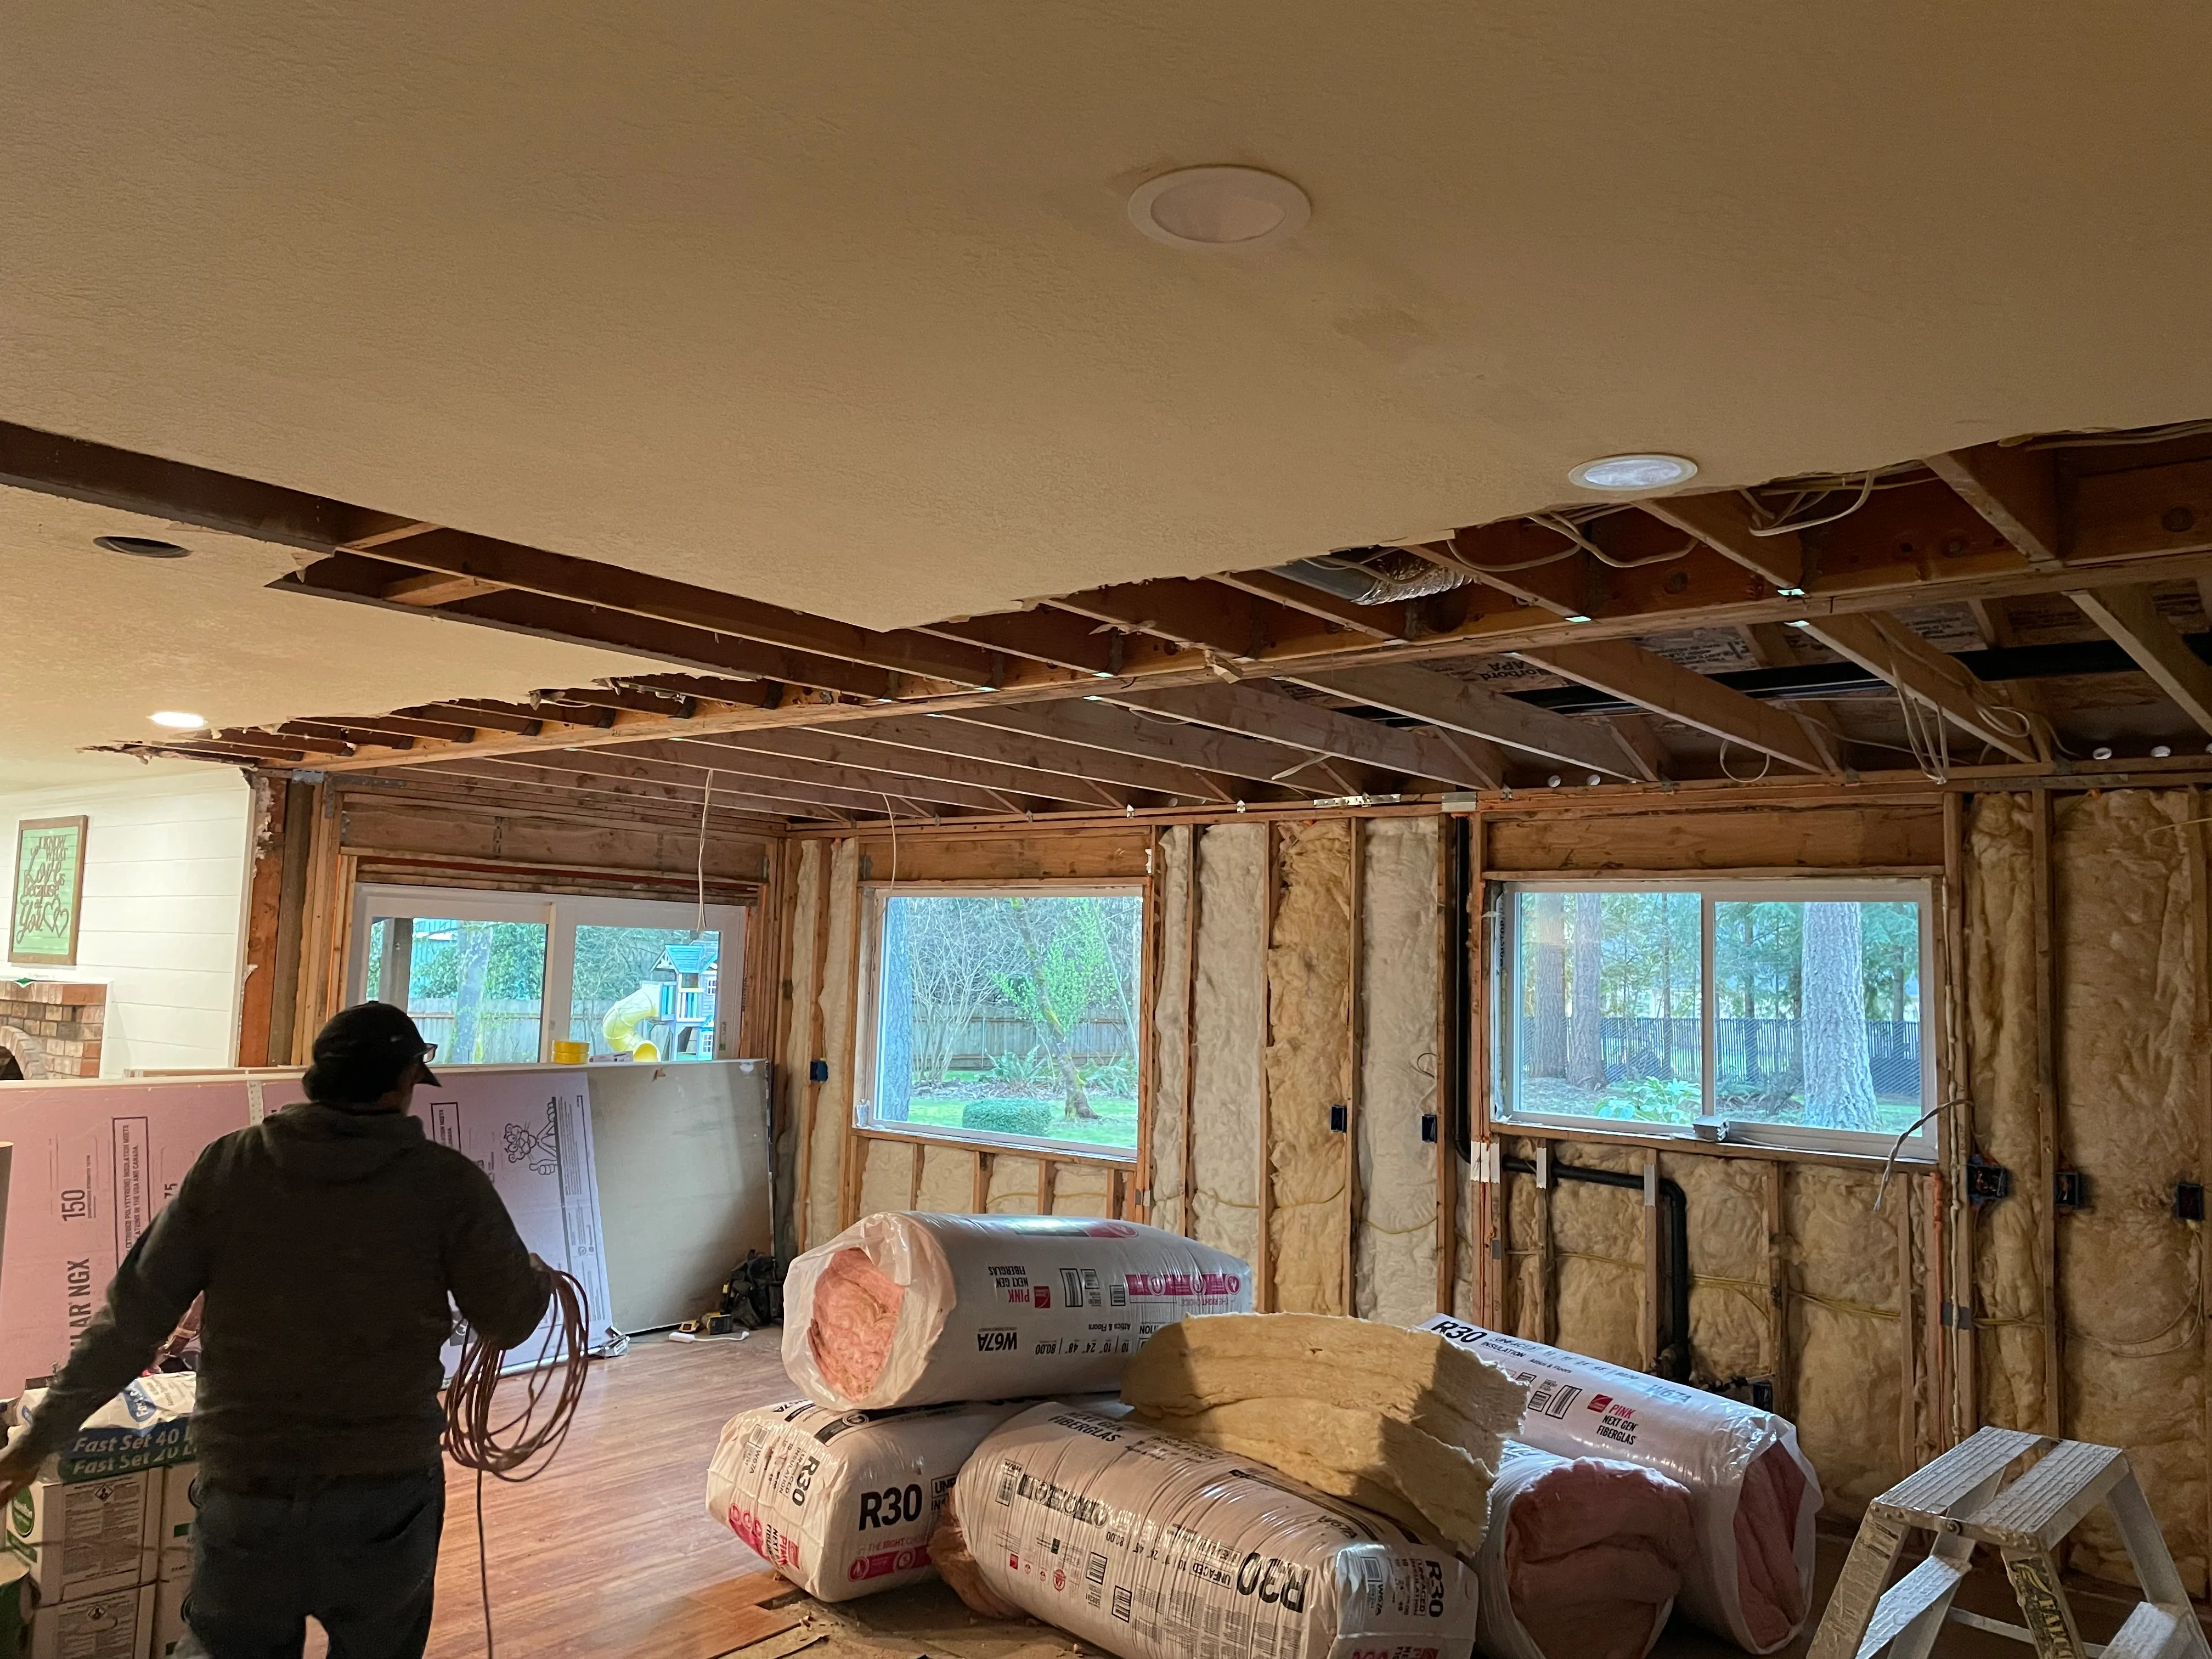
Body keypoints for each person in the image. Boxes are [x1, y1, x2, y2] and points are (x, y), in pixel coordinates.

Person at [0, 1002, 551, 1659]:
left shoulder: (230, 1169)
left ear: (316, 1078)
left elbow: (131, 1322)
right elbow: (512, 1320)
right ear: (403, 1083)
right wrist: (535, 1277)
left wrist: (38, 1441)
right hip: (384, 1497)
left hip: (248, 1490)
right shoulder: (447, 1186)